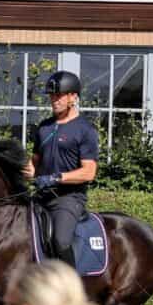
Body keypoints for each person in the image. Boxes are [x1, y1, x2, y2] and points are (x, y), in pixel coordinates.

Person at [21, 71, 100, 270]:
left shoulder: (85, 130)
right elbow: (34, 165)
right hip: (40, 196)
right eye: (52, 96)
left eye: (59, 96)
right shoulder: (44, 128)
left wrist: (56, 178)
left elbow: (89, 172)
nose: (54, 101)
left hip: (68, 199)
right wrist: (17, 172)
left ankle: (73, 289)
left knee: (61, 241)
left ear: (73, 97)